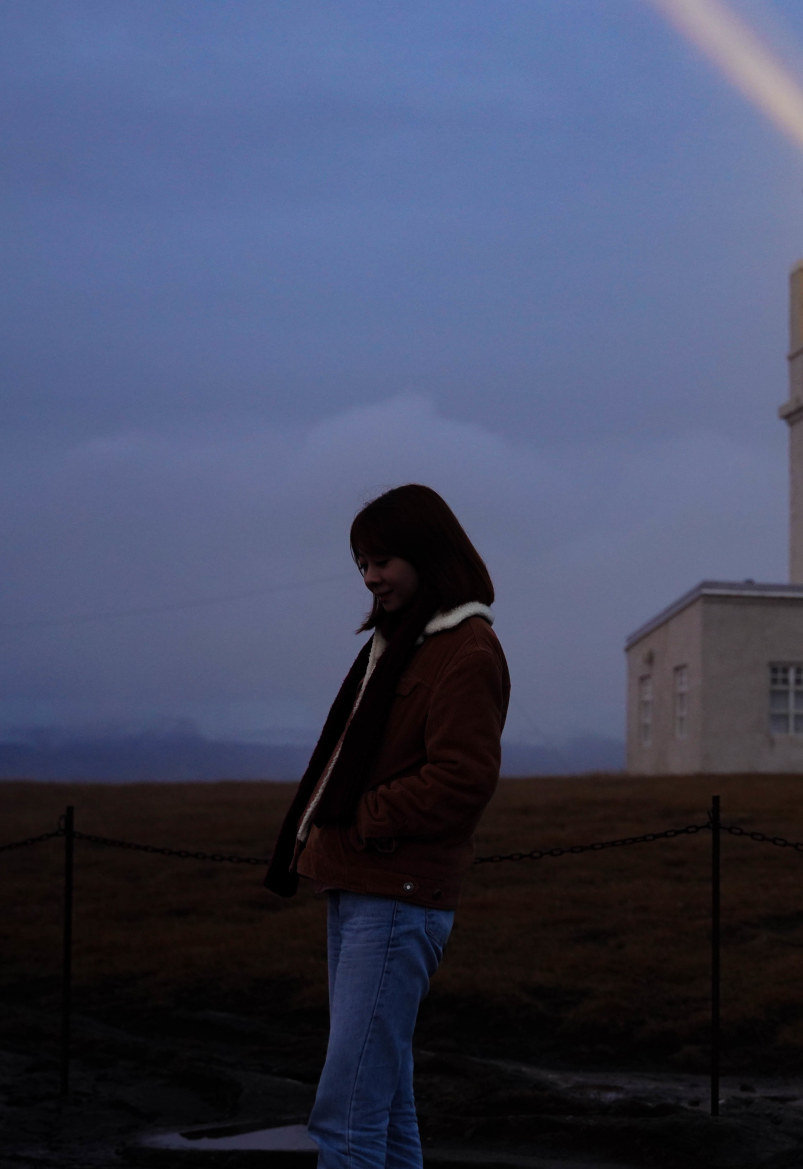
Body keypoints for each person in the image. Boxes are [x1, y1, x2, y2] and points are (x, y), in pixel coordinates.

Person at [265, 484, 509, 1169]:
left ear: (427, 555)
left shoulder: (467, 649)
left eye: (382, 561)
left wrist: (361, 816)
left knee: (347, 1112)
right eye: (362, 564)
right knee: (386, 1103)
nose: (370, 577)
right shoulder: (400, 643)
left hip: (397, 893)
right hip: (362, 884)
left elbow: (463, 779)